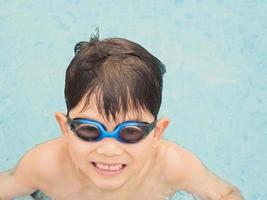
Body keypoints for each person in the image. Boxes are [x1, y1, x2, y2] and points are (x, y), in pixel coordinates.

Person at [0, 30, 244, 200]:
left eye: (130, 131)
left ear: (157, 132)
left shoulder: (173, 166)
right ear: (65, 127)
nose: (109, 149)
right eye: (89, 129)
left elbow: (224, 194)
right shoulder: (44, 166)